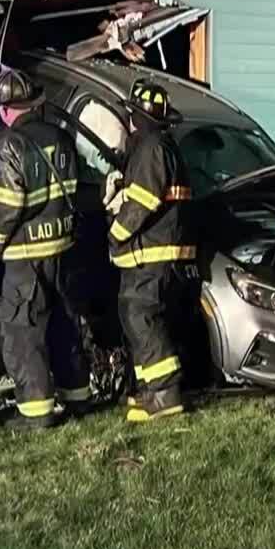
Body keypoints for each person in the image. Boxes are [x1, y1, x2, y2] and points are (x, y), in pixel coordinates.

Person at [0, 67, 91, 430]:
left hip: (24, 256)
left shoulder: (7, 146)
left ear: (4, 110)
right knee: (64, 324)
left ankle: (36, 411)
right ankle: (77, 395)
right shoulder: (61, 138)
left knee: (23, 332)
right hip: (61, 248)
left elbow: (8, 206)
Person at [105, 81, 196, 423]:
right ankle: (149, 391)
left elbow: (142, 203)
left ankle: (164, 395)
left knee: (141, 319)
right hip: (163, 253)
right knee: (143, 320)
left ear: (136, 117)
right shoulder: (165, 147)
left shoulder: (151, 149)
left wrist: (115, 235)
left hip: (151, 254)